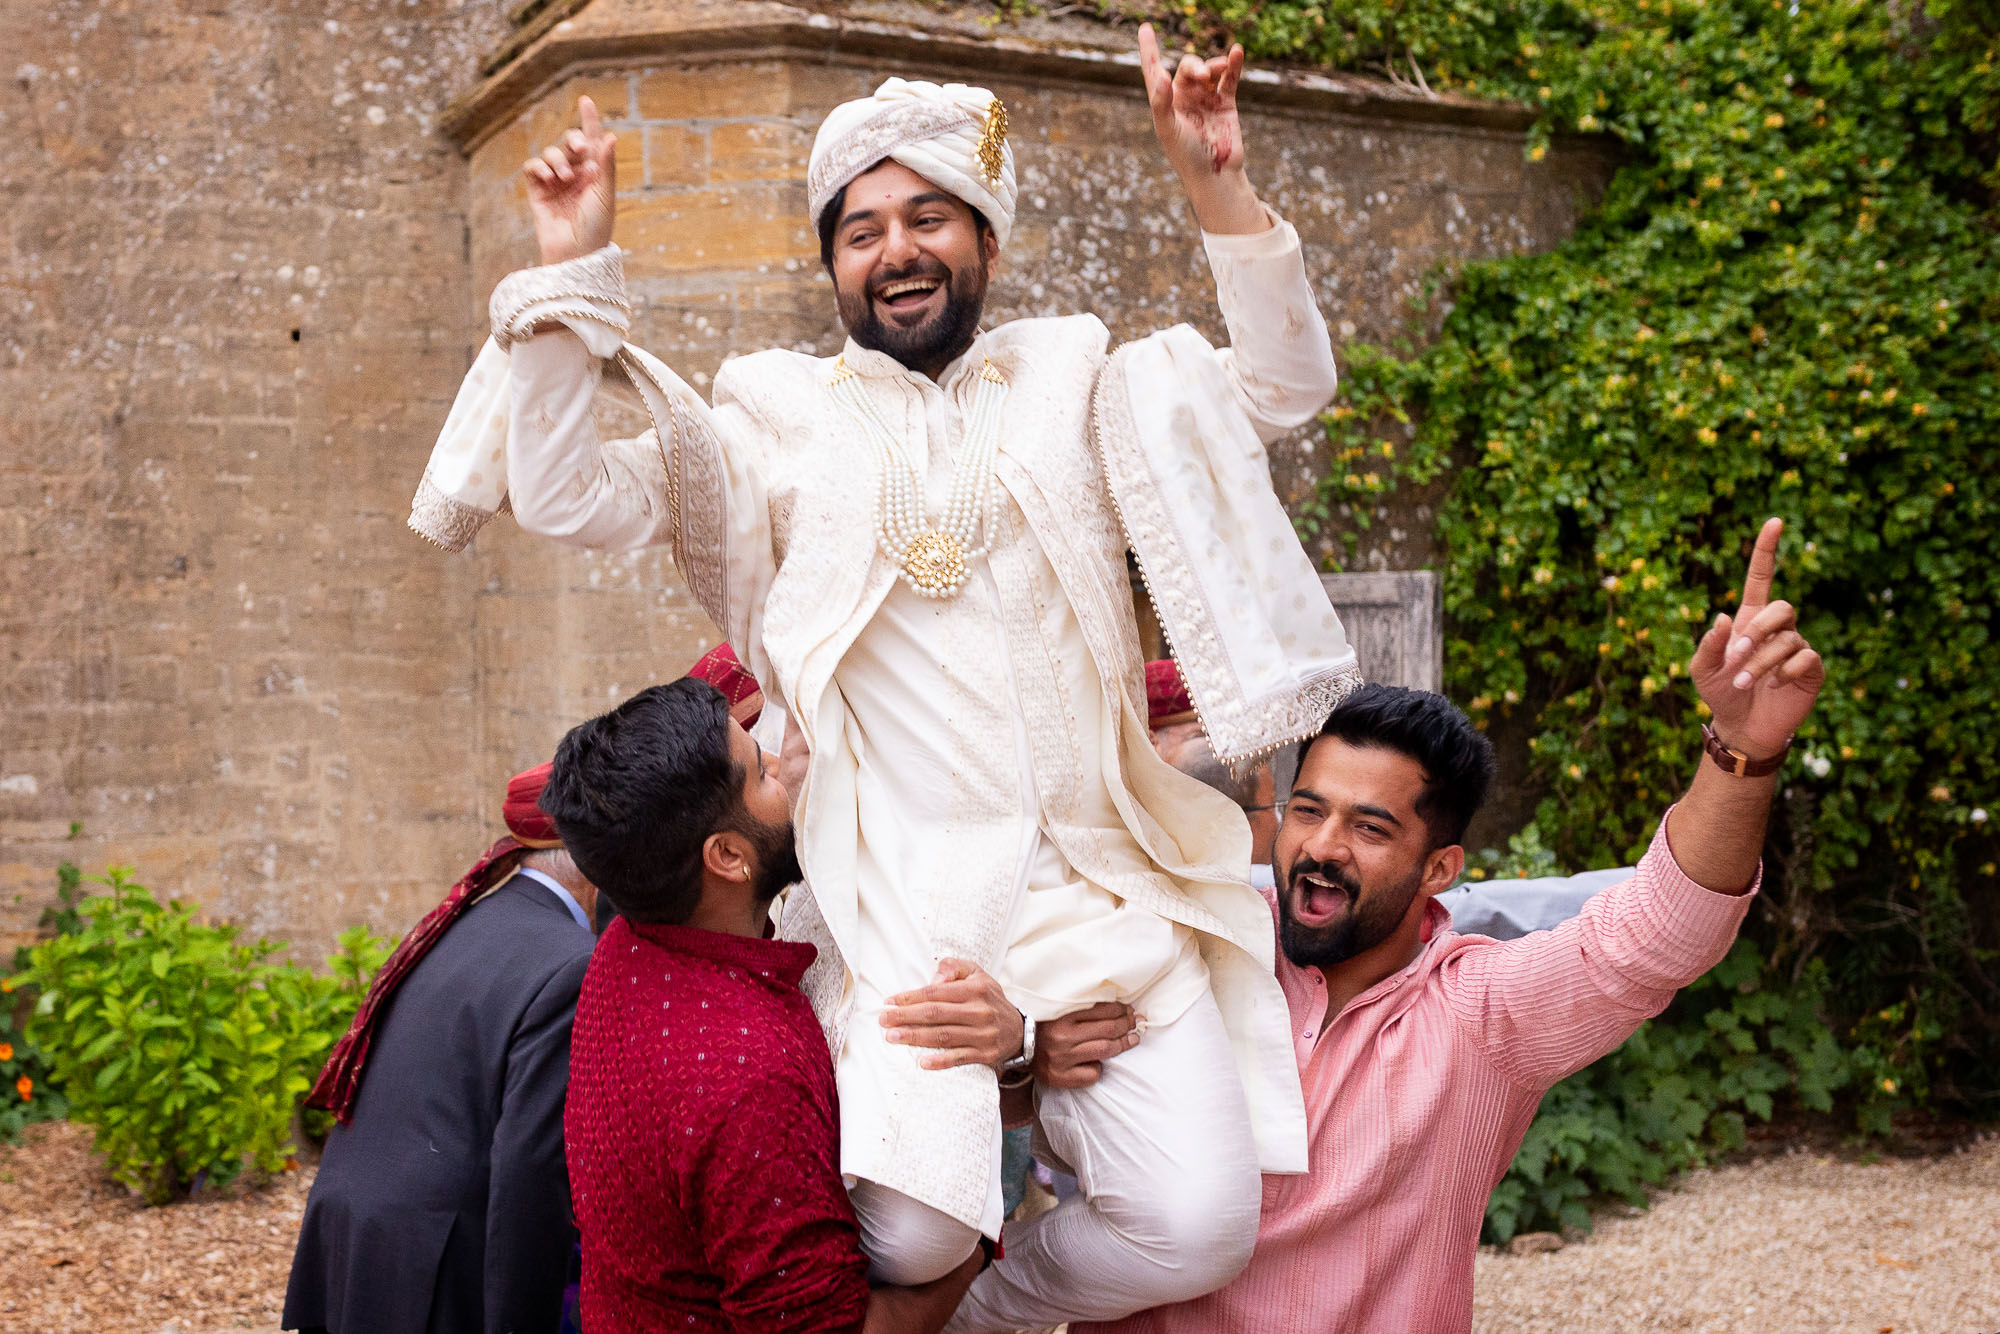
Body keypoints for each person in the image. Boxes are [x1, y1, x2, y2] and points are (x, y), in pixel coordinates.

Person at [410, 22, 1358, 1329]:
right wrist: (572, 272)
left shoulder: (1079, 374)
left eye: (929, 216)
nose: (898, 249)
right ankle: (956, 1240)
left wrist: (1213, 182)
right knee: (910, 1225)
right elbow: (567, 491)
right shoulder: (771, 414)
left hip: (1093, 879)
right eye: (861, 230)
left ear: (984, 237)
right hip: (896, 898)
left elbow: (1283, 385)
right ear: (833, 266)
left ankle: (987, 1314)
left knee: (1201, 1223)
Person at [1084, 518, 1825, 1333]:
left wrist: (1742, 750)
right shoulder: (1200, 936)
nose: (1322, 848)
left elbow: (1661, 936)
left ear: (1439, 868)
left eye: (1369, 828)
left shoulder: (1480, 1017)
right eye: (1308, 811)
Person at [543, 678, 1017, 1332]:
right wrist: (974, 1244)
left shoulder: (627, 947)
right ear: (730, 856)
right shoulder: (747, 1081)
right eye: (763, 772)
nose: (791, 768)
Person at [286, 764, 600, 1334]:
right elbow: (531, 1169)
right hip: (432, 1269)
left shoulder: (461, 922)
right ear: (592, 856)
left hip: (355, 1242)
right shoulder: (572, 962)